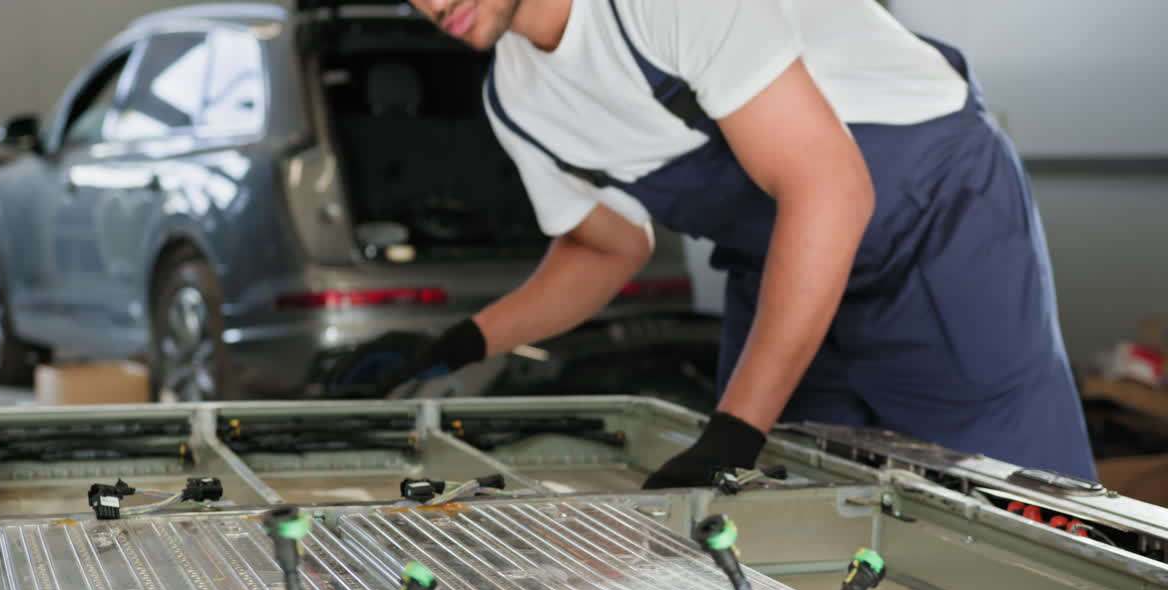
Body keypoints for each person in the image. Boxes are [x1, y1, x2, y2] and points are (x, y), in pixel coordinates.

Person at [382, 0, 1098, 486]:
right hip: (784, 265)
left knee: (1002, 496)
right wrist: (456, 344)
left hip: (936, 228)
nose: (431, 4)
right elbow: (603, 249)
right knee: (798, 495)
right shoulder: (517, 99)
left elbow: (830, 188)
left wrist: (735, 426)